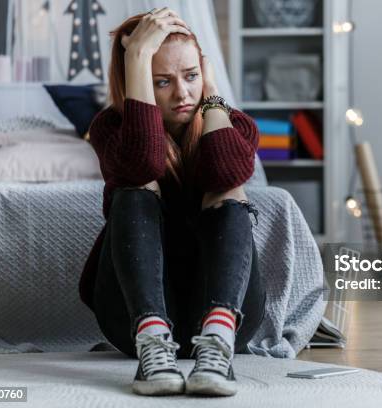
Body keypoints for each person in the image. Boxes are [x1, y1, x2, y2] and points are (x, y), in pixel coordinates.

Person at [78, 7, 266, 397]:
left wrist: (212, 94)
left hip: (225, 316)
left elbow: (225, 173)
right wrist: (135, 58)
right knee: (135, 187)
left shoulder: (236, 125)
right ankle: (153, 344)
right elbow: (142, 163)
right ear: (139, 82)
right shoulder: (110, 129)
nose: (182, 94)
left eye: (191, 76)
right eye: (161, 82)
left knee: (229, 189)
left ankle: (217, 341)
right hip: (132, 317)